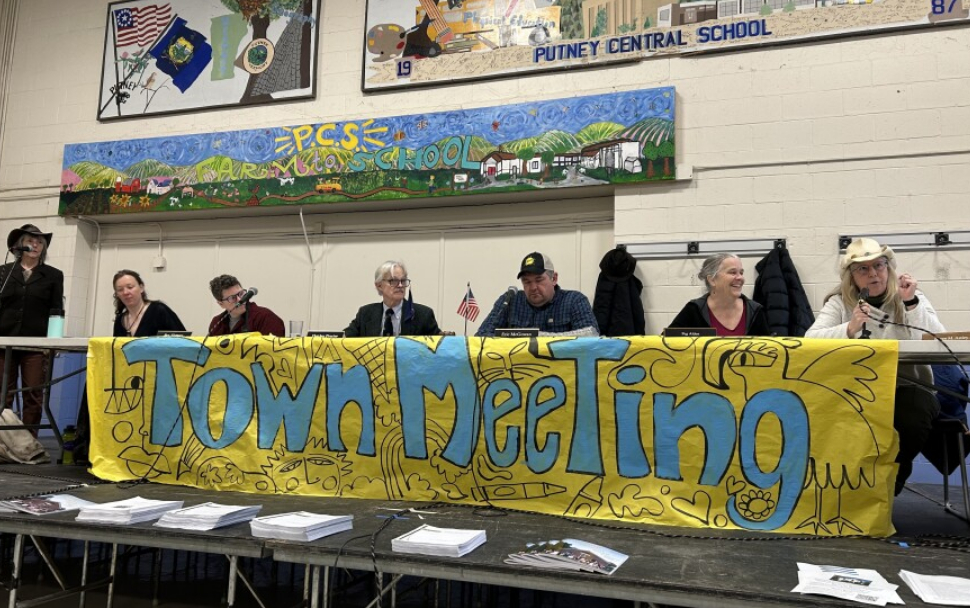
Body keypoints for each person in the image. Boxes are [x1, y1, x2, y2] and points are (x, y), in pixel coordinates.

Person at [806, 237, 945, 495]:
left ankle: (886, 486)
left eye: (879, 265)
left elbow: (937, 340)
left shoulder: (911, 296)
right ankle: (854, 489)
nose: (873, 273)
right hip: (858, 389)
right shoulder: (840, 302)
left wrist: (911, 304)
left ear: (888, 267)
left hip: (909, 387)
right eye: (863, 269)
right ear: (852, 276)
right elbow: (810, 339)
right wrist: (849, 328)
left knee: (911, 419)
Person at [0, 224, 64, 435]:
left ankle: (29, 442)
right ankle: (4, 442)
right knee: (3, 395)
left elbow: (56, 309)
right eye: (30, 241)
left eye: (40, 242)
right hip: (4, 342)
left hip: (36, 344)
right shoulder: (4, 272)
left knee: (34, 394)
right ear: (20, 245)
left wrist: (53, 341)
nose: (35, 245)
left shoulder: (53, 275)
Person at [476, 252, 599, 337]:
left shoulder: (574, 301)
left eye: (539, 280)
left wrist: (537, 337)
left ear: (554, 278)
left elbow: (590, 336)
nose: (533, 287)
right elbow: (481, 336)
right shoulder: (510, 300)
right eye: (527, 282)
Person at [668, 253, 769, 336]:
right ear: (712, 280)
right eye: (732, 272)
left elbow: (770, 350)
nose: (740, 278)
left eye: (741, 273)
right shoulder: (694, 310)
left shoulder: (755, 311)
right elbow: (666, 345)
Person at [344, 260, 442, 337]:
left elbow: (438, 346)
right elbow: (343, 340)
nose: (400, 285)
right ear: (379, 285)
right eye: (394, 281)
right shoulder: (365, 314)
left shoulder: (423, 315)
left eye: (403, 281)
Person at [112, 270, 186, 337]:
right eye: (120, 290)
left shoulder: (159, 311)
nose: (125, 292)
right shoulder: (119, 320)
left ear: (141, 288)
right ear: (117, 294)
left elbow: (183, 340)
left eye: (130, 287)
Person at [207, 274, 284, 336]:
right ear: (221, 304)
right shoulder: (217, 324)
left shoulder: (265, 317)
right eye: (232, 298)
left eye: (241, 294)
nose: (239, 299)